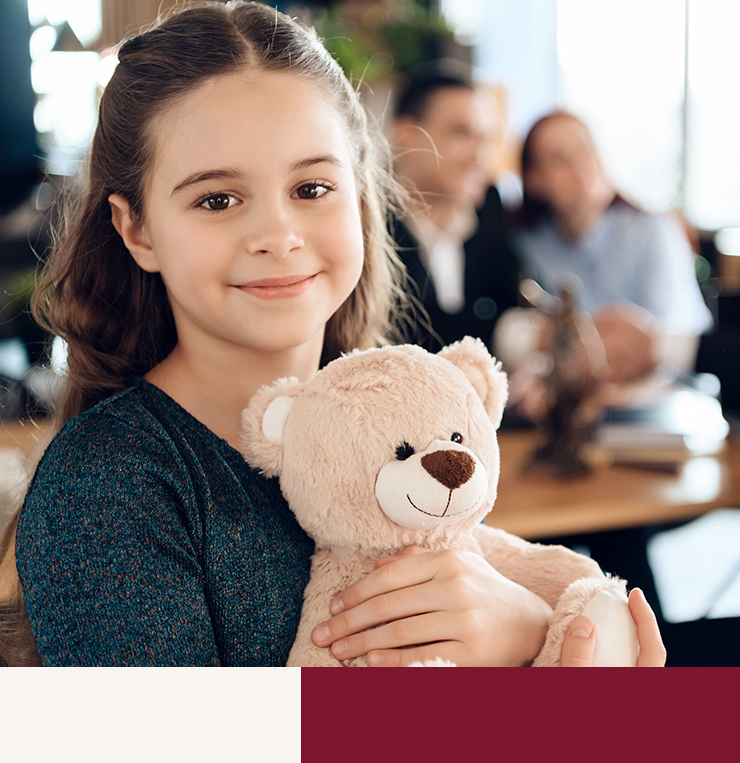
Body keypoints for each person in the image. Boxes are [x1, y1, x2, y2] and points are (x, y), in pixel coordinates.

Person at [0, 1, 663, 668]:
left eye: (312, 187)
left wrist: (532, 628)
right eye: (217, 199)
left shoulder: (405, 420)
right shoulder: (107, 483)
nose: (278, 235)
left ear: (361, 199)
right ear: (137, 229)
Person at [499, 110, 712, 387]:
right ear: (534, 179)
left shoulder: (654, 232)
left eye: (584, 148)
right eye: (557, 159)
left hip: (666, 393)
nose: (578, 166)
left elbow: (673, 337)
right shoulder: (527, 244)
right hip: (575, 396)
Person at [388, 63, 522, 355]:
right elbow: (402, 335)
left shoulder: (490, 207)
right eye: (461, 133)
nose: (479, 155)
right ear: (405, 135)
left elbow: (515, 300)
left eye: (486, 139)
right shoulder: (364, 220)